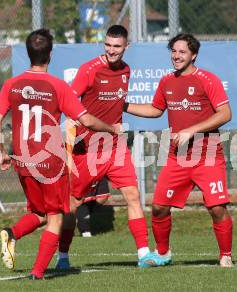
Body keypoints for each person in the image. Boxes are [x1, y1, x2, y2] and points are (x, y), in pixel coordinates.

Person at [0, 28, 122, 280]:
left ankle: (12, 233)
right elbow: (87, 120)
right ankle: (38, 273)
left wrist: (1, 153)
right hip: (50, 161)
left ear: (29, 53)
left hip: (23, 159)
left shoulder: (11, 84)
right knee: (55, 217)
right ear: (50, 54)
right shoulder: (58, 86)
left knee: (39, 213)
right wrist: (110, 128)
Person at [56, 24, 162, 269]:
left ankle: (144, 254)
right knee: (73, 204)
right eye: (108, 45)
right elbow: (69, 102)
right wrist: (73, 138)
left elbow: (117, 103)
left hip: (115, 147)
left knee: (133, 196)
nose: (112, 51)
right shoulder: (89, 70)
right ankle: (62, 256)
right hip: (88, 150)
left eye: (117, 46)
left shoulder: (126, 70)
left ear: (127, 46)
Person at [125, 33, 234, 267]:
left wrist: (191, 130)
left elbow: (225, 114)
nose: (176, 56)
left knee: (217, 208)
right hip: (178, 157)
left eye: (182, 52)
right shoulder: (167, 81)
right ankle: (163, 254)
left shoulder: (208, 79)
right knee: (159, 207)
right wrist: (124, 105)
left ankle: (226, 255)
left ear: (193, 55)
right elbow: (155, 110)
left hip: (208, 155)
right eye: (173, 51)